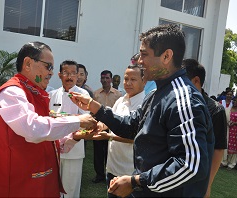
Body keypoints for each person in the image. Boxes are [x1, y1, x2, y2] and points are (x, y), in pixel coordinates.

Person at [70, 24, 214, 197]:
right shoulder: (156, 94)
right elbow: (132, 126)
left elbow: (191, 166)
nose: (139, 61)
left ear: (167, 56)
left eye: (144, 54)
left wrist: (137, 181)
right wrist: (95, 107)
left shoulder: (183, 99)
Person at [0, 41, 97, 197]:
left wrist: (75, 136)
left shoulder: (35, 92)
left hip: (36, 182)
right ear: (28, 63)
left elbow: (46, 138)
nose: (51, 73)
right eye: (48, 66)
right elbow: (33, 129)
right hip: (16, 186)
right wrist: (78, 121)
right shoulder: (12, 92)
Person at [95, 65, 145, 197]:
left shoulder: (145, 104)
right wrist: (100, 126)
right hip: (112, 167)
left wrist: (109, 137)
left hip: (130, 171)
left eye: (133, 79)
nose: (128, 83)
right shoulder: (121, 100)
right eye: (126, 78)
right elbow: (111, 121)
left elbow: (137, 138)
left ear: (144, 81)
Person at [183, 59, 227, 198]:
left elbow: (218, 149)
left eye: (183, 82)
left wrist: (208, 184)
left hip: (198, 179)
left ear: (196, 81)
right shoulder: (178, 104)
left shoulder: (215, 110)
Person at [49, 60, 92, 198]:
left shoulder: (83, 94)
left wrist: (73, 137)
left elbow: (87, 122)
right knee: (52, 187)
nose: (70, 76)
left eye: (74, 73)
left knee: (70, 190)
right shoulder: (52, 94)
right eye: (66, 73)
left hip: (74, 149)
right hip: (54, 149)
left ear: (78, 76)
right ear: (59, 75)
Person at [92, 70, 122, 183]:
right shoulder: (96, 94)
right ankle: (99, 175)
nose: (105, 80)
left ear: (111, 79)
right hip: (99, 125)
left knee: (110, 151)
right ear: (100, 79)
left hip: (112, 126)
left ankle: (110, 174)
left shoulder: (118, 95)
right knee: (98, 151)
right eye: (103, 78)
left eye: (107, 78)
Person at [221, 96, 237, 170]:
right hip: (228, 130)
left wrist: (236, 123)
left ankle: (231, 164)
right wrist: (228, 122)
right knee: (226, 145)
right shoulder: (228, 110)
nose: (235, 102)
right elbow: (225, 119)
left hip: (236, 132)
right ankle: (224, 162)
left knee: (234, 148)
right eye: (234, 100)